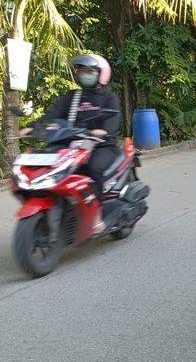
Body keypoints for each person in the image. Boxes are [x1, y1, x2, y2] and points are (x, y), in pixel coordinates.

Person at [20, 54, 121, 234]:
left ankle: (96, 213)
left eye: (89, 71)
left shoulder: (109, 98)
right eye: (82, 71)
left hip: (101, 146)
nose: (85, 74)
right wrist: (31, 128)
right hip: (72, 145)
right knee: (49, 164)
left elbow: (112, 120)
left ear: (101, 74)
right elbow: (51, 116)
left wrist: (103, 131)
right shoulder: (72, 97)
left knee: (92, 168)